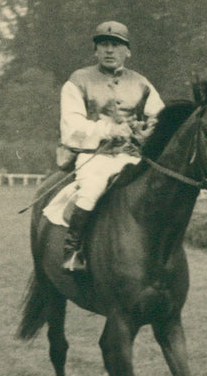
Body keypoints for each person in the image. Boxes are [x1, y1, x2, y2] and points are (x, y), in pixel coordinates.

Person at [58, 20, 165, 271]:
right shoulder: (78, 80)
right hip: (95, 157)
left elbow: (159, 117)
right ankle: (72, 250)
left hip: (131, 157)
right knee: (93, 188)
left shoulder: (141, 83)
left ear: (127, 51)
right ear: (95, 50)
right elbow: (71, 126)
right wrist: (108, 130)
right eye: (103, 44)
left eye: (116, 45)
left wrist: (147, 131)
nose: (109, 50)